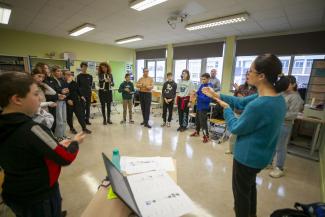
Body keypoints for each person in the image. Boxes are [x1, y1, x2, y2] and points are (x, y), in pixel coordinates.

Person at [202, 54, 289, 217]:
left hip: (247, 158)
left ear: (262, 76)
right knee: (249, 188)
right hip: (261, 157)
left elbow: (235, 127)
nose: (247, 74)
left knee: (241, 195)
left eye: (250, 71)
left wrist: (226, 108)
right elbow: (241, 102)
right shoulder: (276, 99)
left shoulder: (259, 105)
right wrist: (216, 95)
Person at [0, 71, 85, 217]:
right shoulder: (33, 129)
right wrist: (74, 143)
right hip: (39, 196)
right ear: (17, 99)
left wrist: (55, 145)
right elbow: (65, 157)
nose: (40, 98)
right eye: (35, 94)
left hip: (15, 192)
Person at [270, 75, 304, 178]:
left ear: (293, 84)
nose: (285, 85)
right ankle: (268, 162)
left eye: (288, 83)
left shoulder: (296, 97)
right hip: (275, 123)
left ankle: (279, 168)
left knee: (280, 147)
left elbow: (293, 114)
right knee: (272, 144)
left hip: (284, 124)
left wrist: (278, 114)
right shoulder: (281, 93)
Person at [190, 73, 212, 143]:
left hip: (204, 107)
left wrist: (197, 96)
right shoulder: (202, 85)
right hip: (199, 106)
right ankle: (197, 132)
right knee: (197, 120)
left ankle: (206, 136)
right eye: (202, 79)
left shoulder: (209, 87)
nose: (203, 80)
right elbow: (199, 93)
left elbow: (207, 99)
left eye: (204, 79)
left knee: (203, 122)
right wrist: (195, 93)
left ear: (208, 79)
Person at [50, 66, 69, 140]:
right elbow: (55, 91)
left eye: (61, 71)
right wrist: (62, 92)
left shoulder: (62, 80)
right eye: (58, 71)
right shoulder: (52, 80)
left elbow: (67, 90)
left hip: (64, 100)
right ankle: (58, 136)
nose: (60, 72)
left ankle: (63, 134)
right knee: (59, 119)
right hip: (57, 101)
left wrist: (65, 94)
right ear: (53, 72)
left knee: (64, 119)